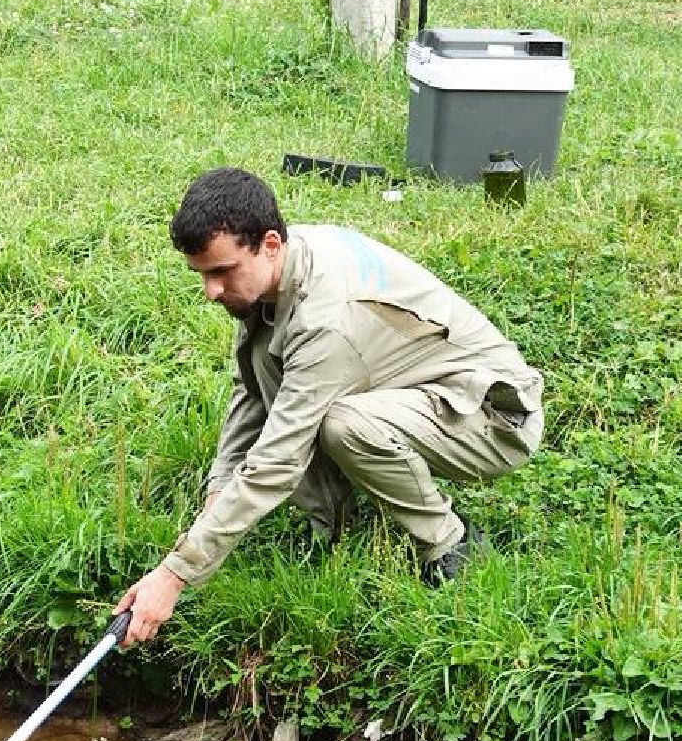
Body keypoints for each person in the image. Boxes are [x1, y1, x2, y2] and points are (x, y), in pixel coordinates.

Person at [115, 167, 545, 646]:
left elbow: (277, 461)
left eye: (221, 272)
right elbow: (249, 393)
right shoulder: (279, 274)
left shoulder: (324, 320)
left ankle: (448, 544)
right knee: (268, 357)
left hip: (492, 417)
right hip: (411, 389)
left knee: (344, 426)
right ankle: (334, 527)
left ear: (270, 244)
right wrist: (217, 497)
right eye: (201, 275)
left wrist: (174, 576)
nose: (210, 291)